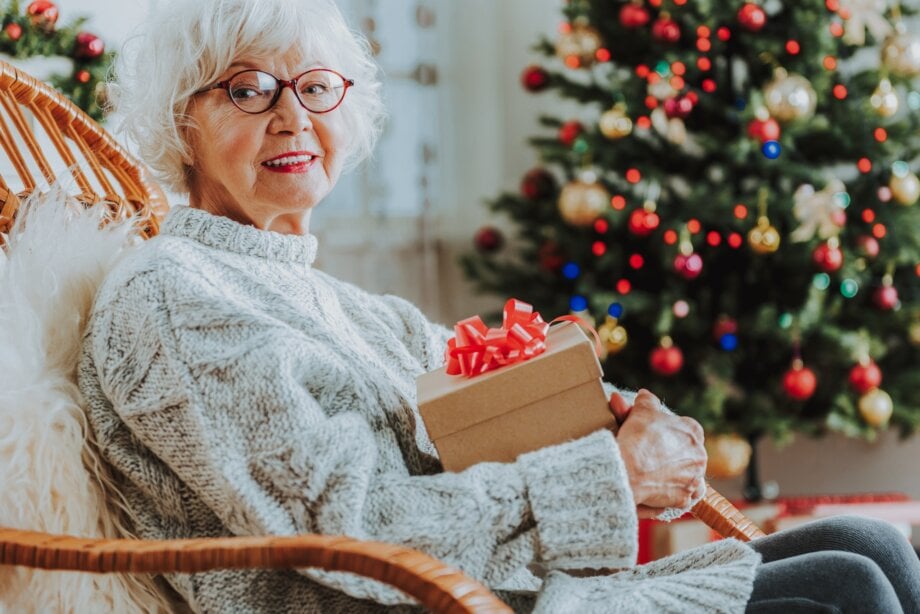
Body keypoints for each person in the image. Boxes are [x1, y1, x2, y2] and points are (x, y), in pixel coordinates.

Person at [77, 0, 920, 612]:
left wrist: (608, 420)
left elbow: (491, 396)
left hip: (496, 590)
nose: (293, 117)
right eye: (250, 89)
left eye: (317, 88)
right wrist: (613, 476)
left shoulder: (339, 302)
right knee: (847, 587)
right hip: (423, 606)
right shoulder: (173, 296)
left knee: (873, 543)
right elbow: (355, 528)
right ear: (178, 124)